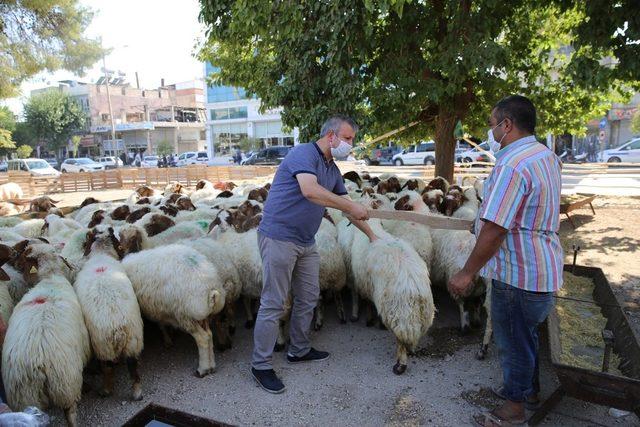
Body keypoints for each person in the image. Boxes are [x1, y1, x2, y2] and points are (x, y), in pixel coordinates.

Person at [448, 95, 563, 427]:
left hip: (518, 273)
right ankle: (527, 391)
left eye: (491, 125)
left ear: (507, 125)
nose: (490, 132)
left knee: (513, 342)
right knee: (526, 337)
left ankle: (513, 411)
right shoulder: (546, 156)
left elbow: (497, 227)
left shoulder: (512, 165)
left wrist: (467, 272)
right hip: (543, 266)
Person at [251, 115, 377, 394]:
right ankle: (260, 365)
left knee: (309, 296)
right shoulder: (303, 154)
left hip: (306, 241)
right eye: (347, 138)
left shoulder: (332, 169)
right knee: (274, 302)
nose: (350, 145)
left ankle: (298, 349)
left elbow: (346, 208)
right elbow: (309, 190)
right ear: (330, 136)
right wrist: (349, 205)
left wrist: (373, 236)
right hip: (279, 237)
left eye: (352, 140)